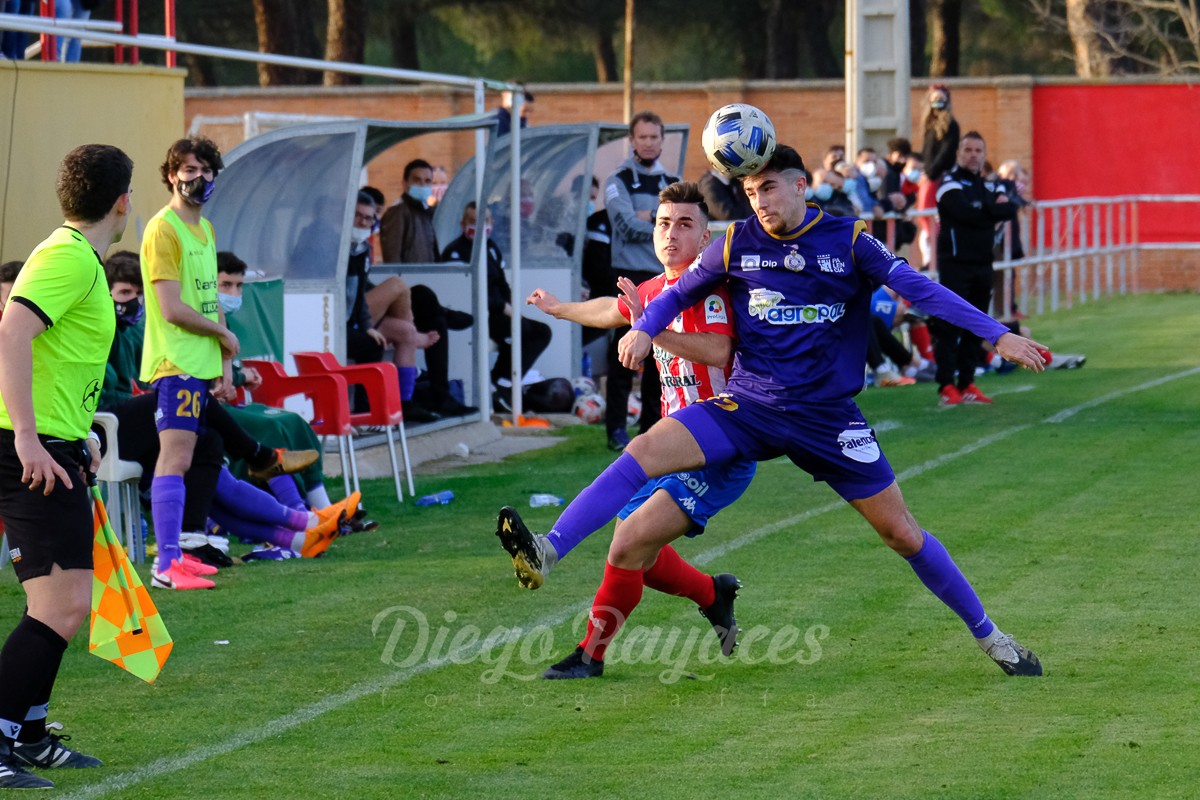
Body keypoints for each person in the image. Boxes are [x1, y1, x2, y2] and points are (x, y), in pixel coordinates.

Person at [496, 144, 1049, 678]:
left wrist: (996, 335)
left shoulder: (850, 239)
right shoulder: (736, 242)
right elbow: (673, 292)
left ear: (801, 186)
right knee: (642, 451)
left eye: (768, 188)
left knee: (902, 534)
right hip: (749, 406)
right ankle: (549, 550)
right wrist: (642, 327)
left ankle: (990, 635)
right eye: (749, 190)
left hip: (826, 419)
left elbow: (922, 290)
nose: (759, 200)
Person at [507, 181, 753, 679]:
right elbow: (607, 310)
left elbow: (719, 351)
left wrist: (649, 330)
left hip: (720, 446)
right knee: (637, 553)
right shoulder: (656, 292)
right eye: (664, 223)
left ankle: (589, 655)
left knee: (626, 545)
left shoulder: (711, 290)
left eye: (685, 224)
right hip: (670, 445)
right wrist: (559, 309)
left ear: (705, 238)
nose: (671, 234)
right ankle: (713, 592)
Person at [0, 143, 132, 790]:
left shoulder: (77, 257)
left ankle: (28, 734)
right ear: (123, 202)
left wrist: (78, 436)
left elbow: (59, 358)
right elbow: (12, 330)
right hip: (28, 448)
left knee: (69, 603)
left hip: (56, 443)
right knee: (60, 604)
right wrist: (28, 436)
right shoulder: (68, 256)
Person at [139, 136, 238, 591]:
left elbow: (210, 299)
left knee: (184, 456)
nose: (197, 179)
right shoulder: (163, 229)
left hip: (199, 362)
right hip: (175, 361)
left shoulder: (206, 229)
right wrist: (221, 334)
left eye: (205, 170)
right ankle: (166, 566)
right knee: (174, 458)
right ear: (171, 175)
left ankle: (177, 555)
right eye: (188, 170)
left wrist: (224, 361)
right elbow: (171, 307)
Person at [603, 111, 677, 450]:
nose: (648, 143)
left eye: (654, 137)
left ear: (662, 140)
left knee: (660, 353)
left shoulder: (672, 184)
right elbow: (624, 224)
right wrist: (662, 226)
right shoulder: (617, 179)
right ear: (632, 140)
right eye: (642, 137)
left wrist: (651, 218)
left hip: (662, 276)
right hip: (627, 276)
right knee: (624, 353)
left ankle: (651, 429)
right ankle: (615, 428)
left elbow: (680, 225)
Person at [932, 131, 1019, 406]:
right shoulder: (948, 184)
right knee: (948, 326)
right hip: (955, 266)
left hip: (983, 264)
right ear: (958, 153)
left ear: (984, 155)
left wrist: (988, 207)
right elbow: (964, 213)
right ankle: (946, 385)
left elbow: (1009, 208)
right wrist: (990, 209)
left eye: (978, 151)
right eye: (968, 150)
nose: (973, 155)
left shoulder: (987, 186)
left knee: (977, 325)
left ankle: (967, 383)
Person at [342, 191, 443, 422]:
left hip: (358, 317)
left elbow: (359, 290)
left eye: (368, 218)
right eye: (357, 216)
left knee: (405, 332)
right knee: (398, 284)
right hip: (339, 320)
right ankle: (419, 335)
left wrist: (368, 323)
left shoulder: (362, 248)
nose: (363, 222)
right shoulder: (334, 247)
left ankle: (405, 403)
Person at [441, 202, 550, 411]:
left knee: (541, 332)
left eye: (485, 221)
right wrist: (501, 307)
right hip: (475, 315)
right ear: (462, 223)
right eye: (473, 221)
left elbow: (502, 283)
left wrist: (508, 304)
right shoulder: (455, 252)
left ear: (491, 223)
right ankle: (499, 383)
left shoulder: (490, 247)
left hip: (499, 311)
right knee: (521, 332)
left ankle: (501, 381)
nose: (479, 226)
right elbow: (463, 291)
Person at [917, 84, 960, 268]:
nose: (937, 103)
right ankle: (929, 257)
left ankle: (935, 256)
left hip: (939, 175)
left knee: (931, 214)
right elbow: (926, 152)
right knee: (923, 215)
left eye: (941, 99)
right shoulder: (928, 125)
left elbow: (946, 152)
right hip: (929, 175)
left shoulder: (951, 125)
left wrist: (932, 172)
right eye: (934, 99)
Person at [380, 159, 438, 263]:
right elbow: (392, 256)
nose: (422, 185)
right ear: (405, 183)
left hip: (428, 277)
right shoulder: (397, 213)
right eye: (417, 180)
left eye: (427, 181)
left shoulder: (428, 212)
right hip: (408, 277)